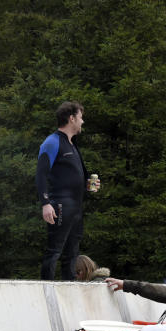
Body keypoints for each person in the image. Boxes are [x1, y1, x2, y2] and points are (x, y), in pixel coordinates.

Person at [36, 101, 100, 280]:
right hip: (60, 204)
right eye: (80, 118)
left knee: (72, 253)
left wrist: (89, 184)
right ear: (71, 118)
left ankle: (69, 289)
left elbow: (72, 174)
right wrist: (45, 204)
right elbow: (41, 175)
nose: (82, 122)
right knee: (54, 251)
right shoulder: (52, 141)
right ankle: (46, 289)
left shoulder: (72, 144)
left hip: (76, 206)